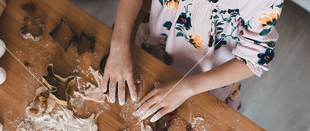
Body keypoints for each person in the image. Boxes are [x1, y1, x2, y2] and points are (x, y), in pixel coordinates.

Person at [102, 0, 283, 122]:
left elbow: (252, 61)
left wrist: (186, 88)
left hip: (208, 84)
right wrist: (119, 44)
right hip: (153, 52)